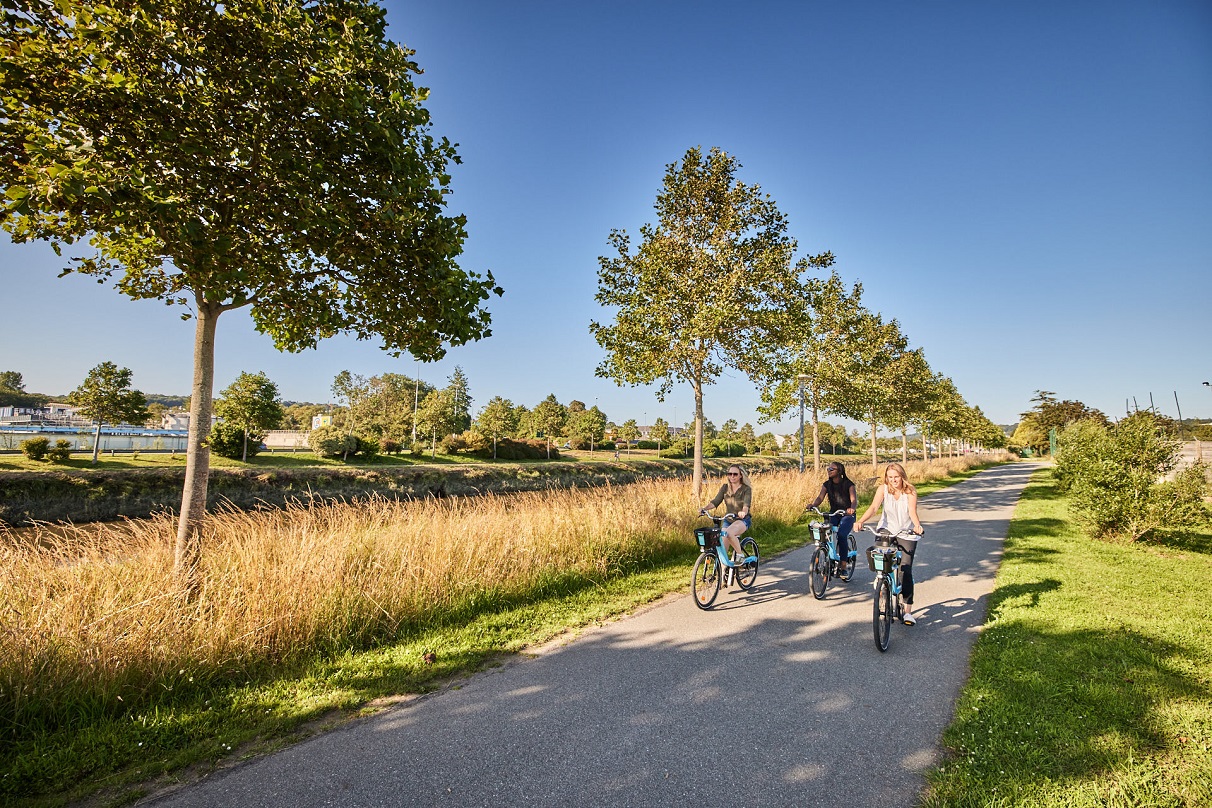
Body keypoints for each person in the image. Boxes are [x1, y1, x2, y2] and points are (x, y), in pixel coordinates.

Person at [855, 462, 924, 625]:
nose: (893, 480)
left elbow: (912, 512)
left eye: (896, 477)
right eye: (890, 477)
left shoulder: (910, 491)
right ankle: (882, 580)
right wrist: (861, 521)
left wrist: (917, 526)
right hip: (886, 529)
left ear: (902, 477)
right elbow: (873, 508)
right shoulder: (883, 489)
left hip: (906, 531)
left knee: (905, 570)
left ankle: (907, 612)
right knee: (880, 559)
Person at [807, 461, 857, 575]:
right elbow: (820, 498)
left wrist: (851, 509)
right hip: (833, 513)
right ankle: (828, 555)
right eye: (828, 469)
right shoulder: (826, 485)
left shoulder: (849, 484)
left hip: (847, 515)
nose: (828, 471)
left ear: (839, 471)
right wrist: (813, 505)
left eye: (832, 469)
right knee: (824, 532)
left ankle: (843, 565)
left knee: (841, 535)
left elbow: (854, 500)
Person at [700, 464, 752, 565]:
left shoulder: (746, 489)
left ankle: (740, 556)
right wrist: (704, 509)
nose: (732, 476)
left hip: (742, 520)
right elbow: (715, 502)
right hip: (728, 521)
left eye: (735, 474)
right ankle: (723, 577)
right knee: (722, 550)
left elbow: (746, 505)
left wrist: (743, 512)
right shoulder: (725, 488)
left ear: (740, 475)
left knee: (729, 533)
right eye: (730, 474)